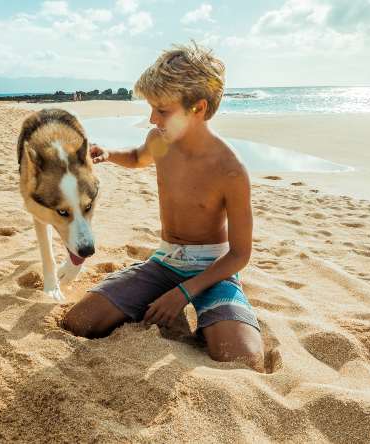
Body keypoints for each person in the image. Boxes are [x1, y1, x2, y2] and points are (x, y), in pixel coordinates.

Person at [62, 42, 264, 372]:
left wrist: (184, 292)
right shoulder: (160, 140)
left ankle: (217, 313)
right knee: (79, 323)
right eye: (151, 108)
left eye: (162, 110)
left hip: (212, 270)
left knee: (243, 359)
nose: (152, 118)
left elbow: (239, 255)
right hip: (165, 261)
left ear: (198, 108)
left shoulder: (230, 170)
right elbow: (139, 157)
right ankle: (146, 300)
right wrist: (109, 154)